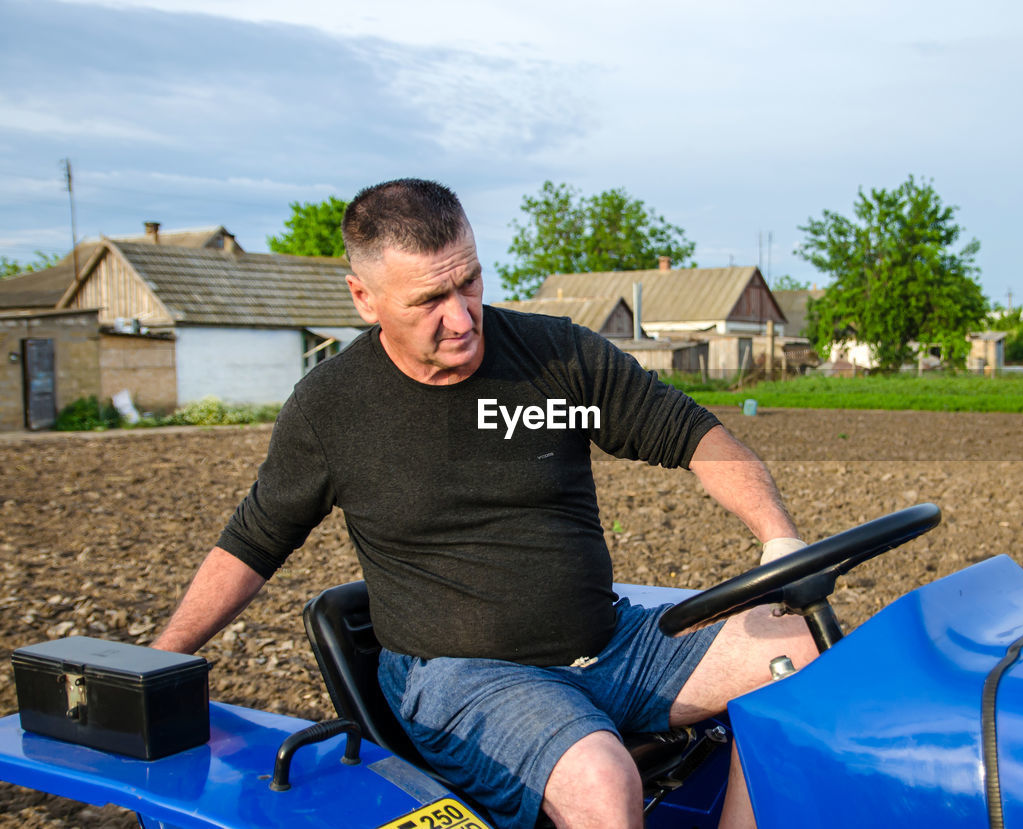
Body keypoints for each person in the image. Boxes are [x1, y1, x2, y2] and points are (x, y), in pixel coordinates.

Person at [152, 178, 817, 829]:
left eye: (469, 281)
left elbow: (697, 435)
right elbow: (255, 539)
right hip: (461, 679)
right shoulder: (332, 408)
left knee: (802, 652)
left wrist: (779, 537)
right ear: (365, 298)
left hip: (610, 645)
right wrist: (159, 661)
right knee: (600, 780)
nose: (464, 316)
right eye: (430, 299)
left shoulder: (555, 358)